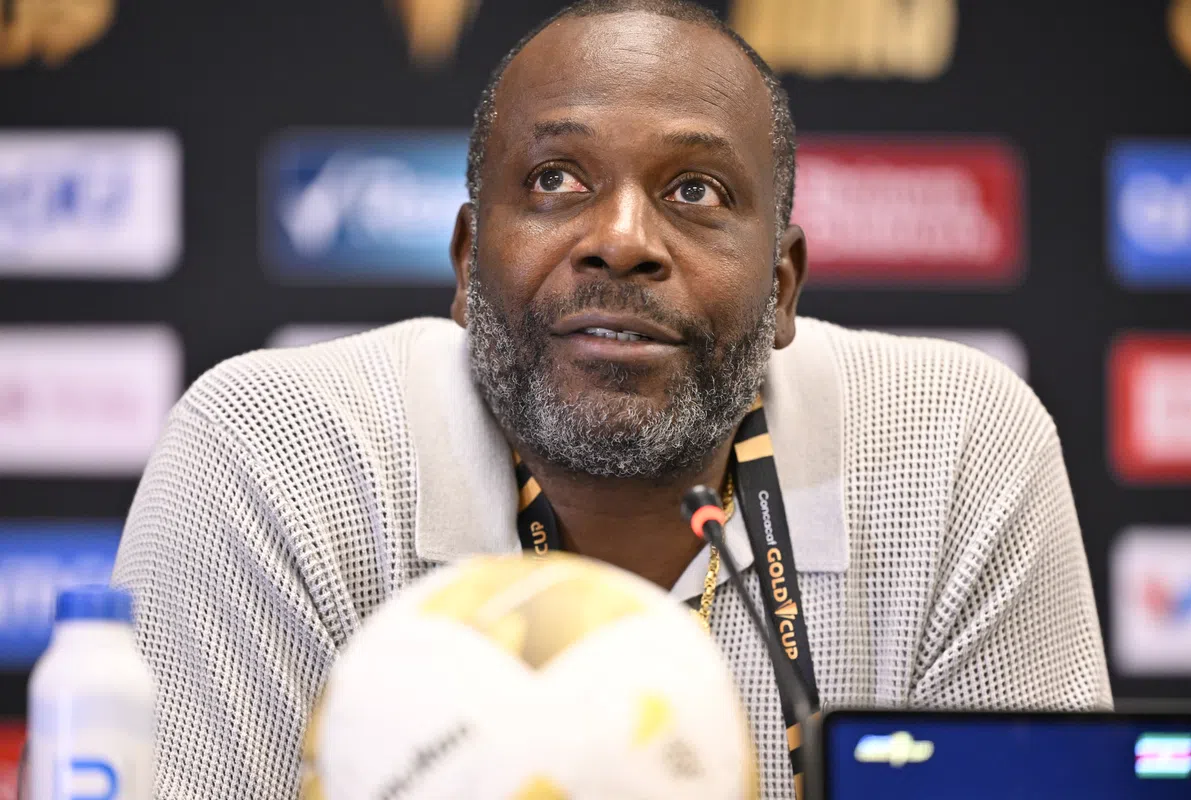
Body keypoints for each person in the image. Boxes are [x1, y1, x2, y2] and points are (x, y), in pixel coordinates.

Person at [113, 1, 1112, 797]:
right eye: (556, 179)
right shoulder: (275, 451)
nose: (623, 240)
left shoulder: (953, 449)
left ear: (781, 288)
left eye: (695, 192)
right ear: (467, 265)